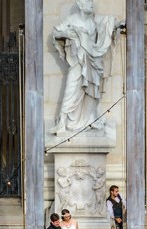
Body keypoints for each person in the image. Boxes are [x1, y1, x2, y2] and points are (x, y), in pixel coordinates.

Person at [50, 0, 117, 134]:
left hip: (92, 62)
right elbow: (56, 33)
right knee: (71, 89)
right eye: (88, 2)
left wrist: (117, 25)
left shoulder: (93, 22)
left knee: (91, 92)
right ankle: (62, 122)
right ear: (80, 6)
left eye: (92, 2)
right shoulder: (72, 19)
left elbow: (107, 24)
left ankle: (90, 118)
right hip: (77, 64)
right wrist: (68, 34)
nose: (91, 4)